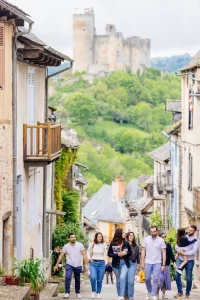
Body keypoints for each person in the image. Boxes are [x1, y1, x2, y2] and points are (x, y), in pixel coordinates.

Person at [53, 232, 88, 299]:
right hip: (69, 264)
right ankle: (67, 293)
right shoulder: (66, 246)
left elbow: (84, 254)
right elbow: (61, 256)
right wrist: (56, 265)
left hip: (78, 265)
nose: (73, 238)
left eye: (74, 237)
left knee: (77, 279)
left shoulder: (80, 245)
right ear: (69, 238)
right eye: (72, 237)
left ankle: (77, 292)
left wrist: (86, 264)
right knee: (68, 277)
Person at [141, 225, 166, 300]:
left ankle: (154, 294)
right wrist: (142, 262)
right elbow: (143, 251)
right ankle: (149, 291)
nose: (153, 233)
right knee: (147, 278)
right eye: (151, 232)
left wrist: (163, 264)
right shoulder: (146, 239)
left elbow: (164, 253)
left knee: (155, 279)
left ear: (157, 231)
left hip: (157, 262)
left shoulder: (161, 240)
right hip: (148, 262)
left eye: (154, 231)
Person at [174, 225, 199, 299]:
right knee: (176, 275)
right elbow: (176, 245)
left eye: (191, 230)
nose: (189, 231)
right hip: (181, 259)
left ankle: (187, 293)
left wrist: (184, 253)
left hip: (190, 261)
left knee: (188, 278)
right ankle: (180, 292)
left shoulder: (196, 240)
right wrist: (179, 251)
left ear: (195, 231)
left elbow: (194, 251)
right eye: (189, 229)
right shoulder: (183, 236)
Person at [108, 228, 132, 300]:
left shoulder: (126, 243)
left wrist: (126, 253)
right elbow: (109, 254)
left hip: (124, 263)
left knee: (122, 278)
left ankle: (121, 295)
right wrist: (117, 254)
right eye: (123, 232)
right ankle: (119, 295)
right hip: (116, 264)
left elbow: (130, 253)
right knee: (118, 280)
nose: (125, 234)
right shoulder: (113, 243)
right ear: (119, 234)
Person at [88, 232, 107, 299]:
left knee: (99, 279)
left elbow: (106, 253)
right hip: (93, 263)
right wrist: (89, 258)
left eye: (101, 236)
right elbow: (88, 252)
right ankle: (93, 291)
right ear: (96, 237)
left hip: (101, 263)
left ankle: (98, 292)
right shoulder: (92, 244)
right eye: (98, 236)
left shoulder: (104, 244)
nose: (100, 238)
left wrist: (106, 262)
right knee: (93, 278)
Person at [157, 233, 176, 299]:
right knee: (159, 280)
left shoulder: (168, 245)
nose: (164, 238)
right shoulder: (157, 245)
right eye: (162, 237)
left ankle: (163, 294)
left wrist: (174, 262)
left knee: (165, 281)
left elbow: (171, 254)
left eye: (165, 236)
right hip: (158, 265)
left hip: (166, 265)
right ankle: (156, 295)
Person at [124, 231, 140, 300]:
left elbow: (138, 256)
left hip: (133, 264)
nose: (131, 237)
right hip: (125, 263)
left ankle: (131, 296)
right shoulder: (125, 244)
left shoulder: (136, 246)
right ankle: (125, 294)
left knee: (131, 281)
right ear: (127, 236)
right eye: (130, 235)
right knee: (126, 280)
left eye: (132, 236)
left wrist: (138, 265)